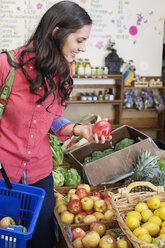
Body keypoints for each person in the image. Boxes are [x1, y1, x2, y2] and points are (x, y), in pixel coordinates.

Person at [0, 1, 111, 248]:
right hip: (3, 175)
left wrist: (79, 129)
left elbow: (51, 118)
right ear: (56, 33)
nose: (83, 48)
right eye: (79, 40)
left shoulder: (64, 72)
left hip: (40, 176)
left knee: (41, 242)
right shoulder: (6, 66)